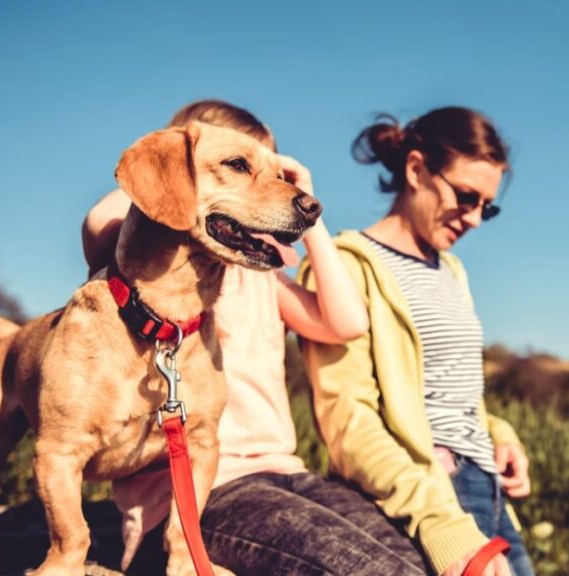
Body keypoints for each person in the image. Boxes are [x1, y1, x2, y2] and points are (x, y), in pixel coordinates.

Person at [82, 99, 428, 575]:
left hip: (287, 473)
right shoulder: (147, 272)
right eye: (240, 166)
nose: (269, 187)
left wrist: (307, 209)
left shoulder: (260, 276)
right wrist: (178, 155)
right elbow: (100, 221)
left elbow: (346, 323)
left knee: (415, 560)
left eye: (274, 171)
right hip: (200, 495)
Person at [298, 106, 534, 576]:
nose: (475, 219)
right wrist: (436, 518)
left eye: (488, 206)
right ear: (416, 169)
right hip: (424, 497)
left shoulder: (452, 271)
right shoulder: (344, 265)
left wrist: (499, 435)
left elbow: (448, 392)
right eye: (467, 197)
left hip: (488, 493)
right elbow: (348, 420)